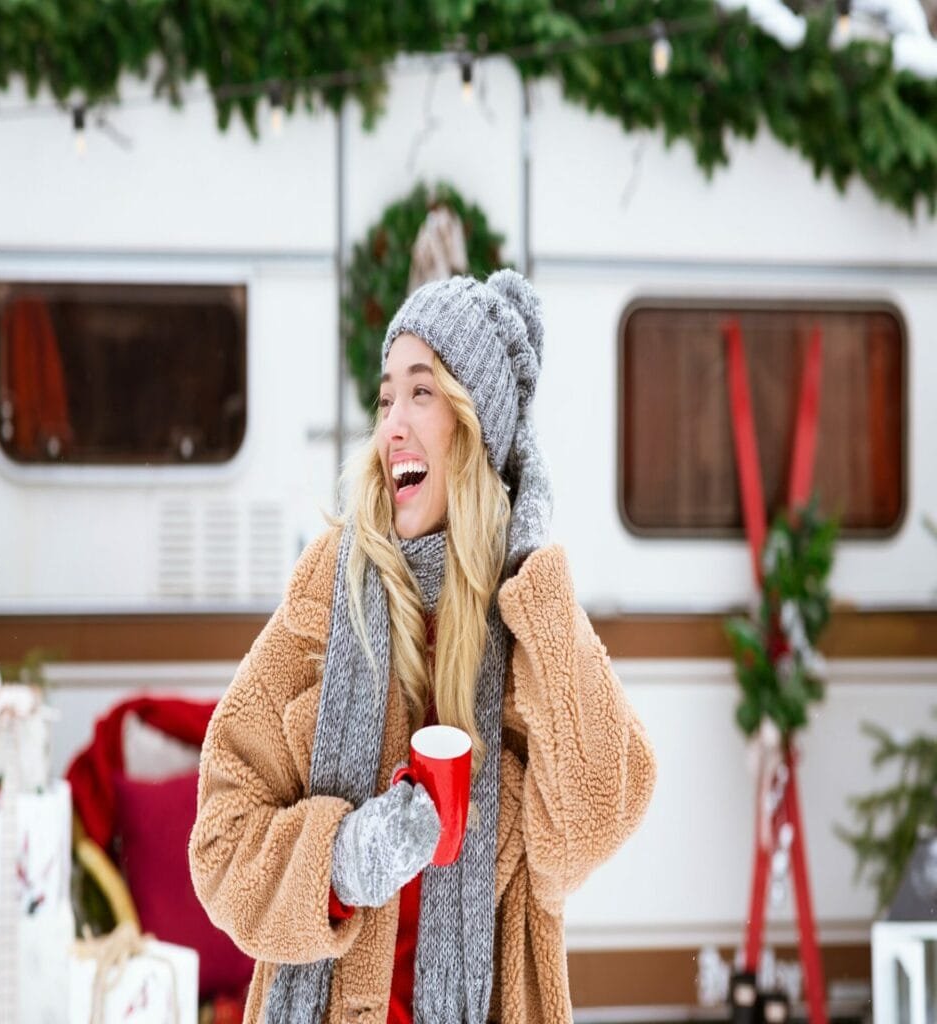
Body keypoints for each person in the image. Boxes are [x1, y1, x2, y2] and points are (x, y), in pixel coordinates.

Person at [188, 269, 656, 1024]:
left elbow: (597, 813)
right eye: (384, 399)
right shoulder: (330, 591)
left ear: (473, 429)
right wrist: (343, 861)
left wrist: (533, 569)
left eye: (421, 392)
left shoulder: (526, 616)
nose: (390, 427)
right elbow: (220, 840)